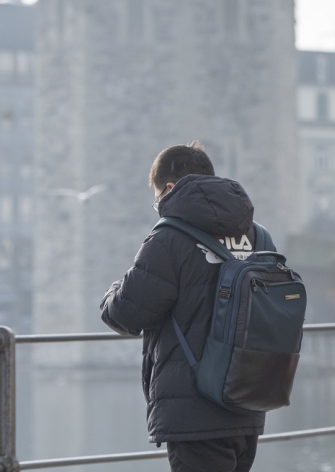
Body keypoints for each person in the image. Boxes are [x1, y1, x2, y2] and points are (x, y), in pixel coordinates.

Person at [100, 142, 270, 472]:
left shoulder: (169, 237)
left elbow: (127, 313)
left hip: (194, 410)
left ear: (168, 188)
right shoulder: (258, 236)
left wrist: (110, 293)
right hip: (247, 403)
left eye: (156, 199)